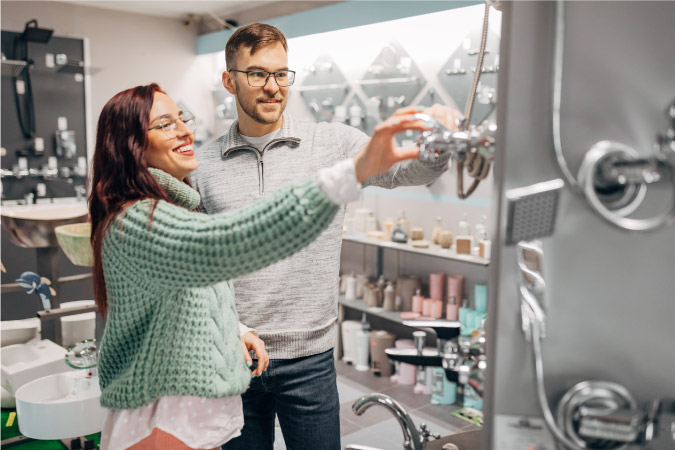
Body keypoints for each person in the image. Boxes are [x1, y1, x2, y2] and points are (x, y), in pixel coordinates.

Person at [89, 83, 432, 450]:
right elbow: (231, 242)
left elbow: (196, 288)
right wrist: (349, 174)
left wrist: (232, 329)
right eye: (166, 124)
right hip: (158, 425)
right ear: (130, 144)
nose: (185, 130)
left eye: (181, 119)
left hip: (181, 420)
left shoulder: (165, 210)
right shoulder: (140, 221)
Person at [189, 23, 459, 450]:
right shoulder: (202, 167)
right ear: (229, 81)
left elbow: (405, 172)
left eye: (281, 74)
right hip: (233, 354)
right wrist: (233, 328)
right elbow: (198, 266)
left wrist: (439, 145)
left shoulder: (332, 143)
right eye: (257, 74)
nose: (273, 86)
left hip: (309, 358)